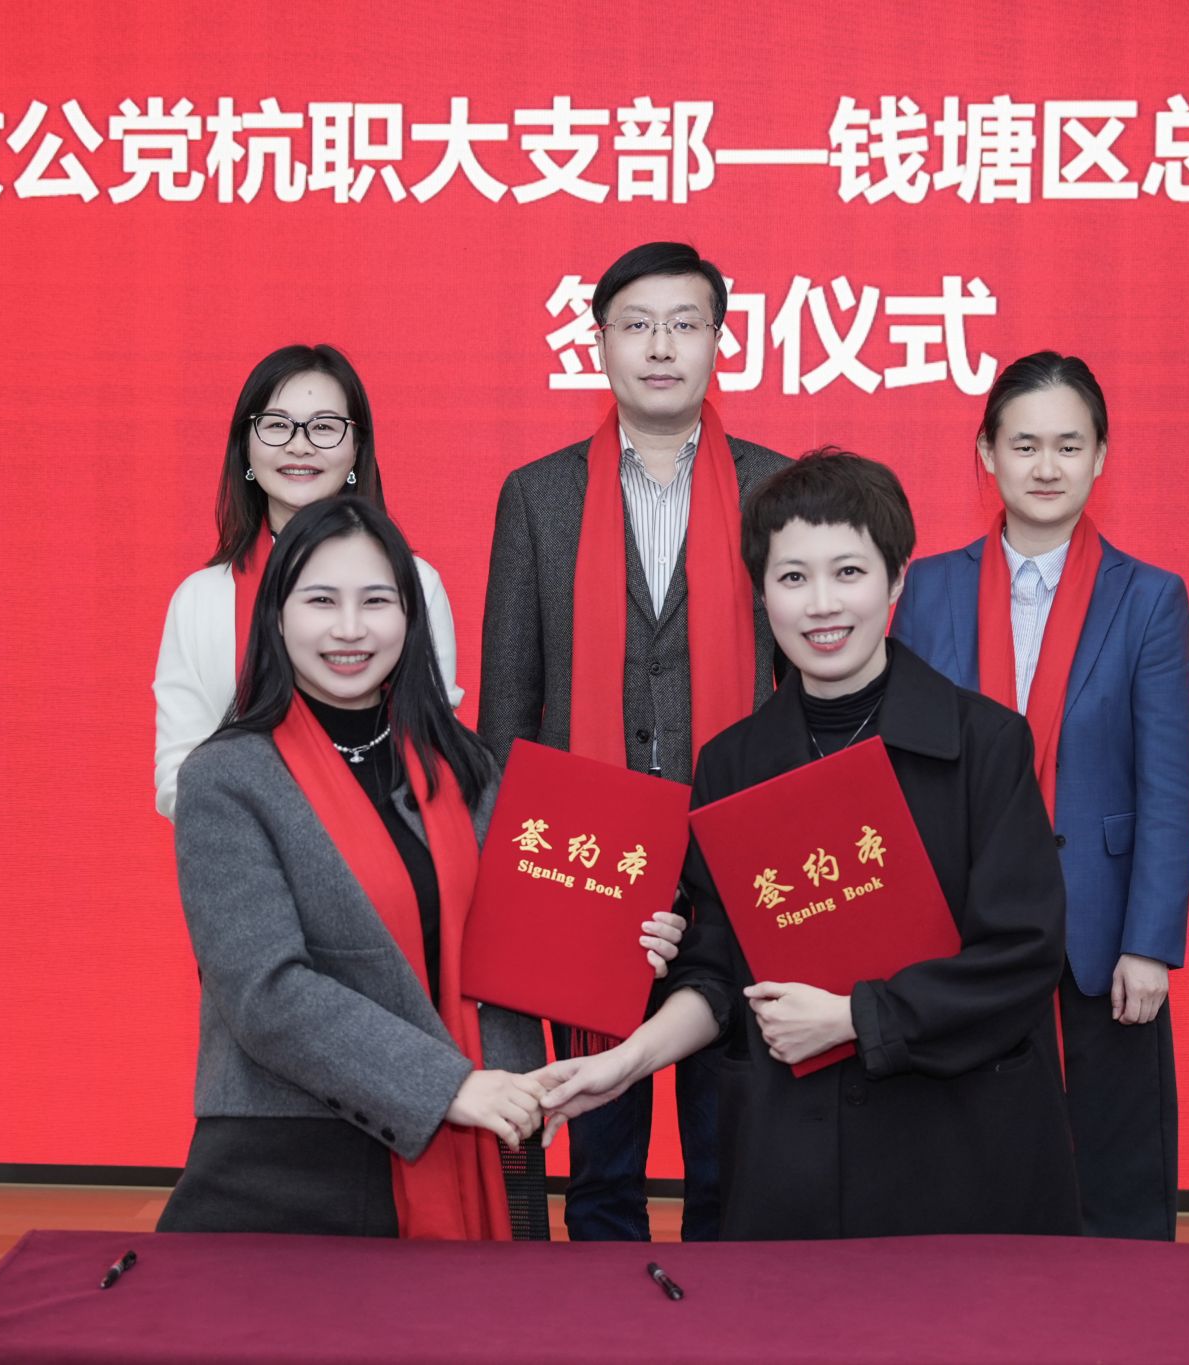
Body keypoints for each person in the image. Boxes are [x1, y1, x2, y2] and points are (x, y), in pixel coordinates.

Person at [538, 451, 1083, 1240]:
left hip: (961, 1159)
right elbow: (716, 971)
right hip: (793, 1166)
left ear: (896, 580)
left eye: (849, 572)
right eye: (793, 577)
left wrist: (857, 1016)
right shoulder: (732, 763)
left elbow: (1022, 957)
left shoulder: (986, 744)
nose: (822, 604)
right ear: (761, 594)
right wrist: (629, 1060)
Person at [160, 495, 682, 1239]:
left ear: (411, 616)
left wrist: (625, 943)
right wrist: (448, 1086)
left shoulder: (466, 767)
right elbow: (264, 994)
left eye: (377, 601)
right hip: (299, 1158)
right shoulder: (226, 778)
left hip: (489, 1137)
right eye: (320, 600)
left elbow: (519, 941)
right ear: (276, 615)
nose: (350, 628)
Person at [478, 242, 788, 1241]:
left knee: (731, 1144)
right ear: (600, 342)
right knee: (597, 1146)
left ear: (719, 342)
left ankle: (722, 1313)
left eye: (684, 325)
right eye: (637, 325)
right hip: (585, 864)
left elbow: (799, 690)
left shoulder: (775, 490)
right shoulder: (538, 496)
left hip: (734, 859)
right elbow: (508, 701)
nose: (661, 347)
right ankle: (598, 1311)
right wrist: (507, 878)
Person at [890, 351, 1189, 1240]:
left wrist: (1149, 943)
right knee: (964, 1163)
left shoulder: (1149, 598)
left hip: (1097, 930)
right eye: (1024, 445)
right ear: (986, 454)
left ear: (1101, 456)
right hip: (960, 918)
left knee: (1113, 1173)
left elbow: (1168, 785)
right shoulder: (927, 587)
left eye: (1069, 444)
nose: (1047, 466)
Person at [154, 343, 464, 820]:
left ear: (357, 449)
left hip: (387, 851)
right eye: (277, 425)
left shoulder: (415, 585)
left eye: (324, 427)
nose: (299, 445)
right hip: (244, 851)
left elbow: (433, 749)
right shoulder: (201, 599)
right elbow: (180, 775)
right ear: (246, 448)